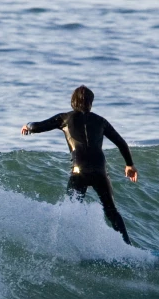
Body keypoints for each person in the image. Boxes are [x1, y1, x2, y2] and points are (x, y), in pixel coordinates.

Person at [21, 85, 138, 245]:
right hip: (100, 171)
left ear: (72, 102)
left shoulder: (64, 118)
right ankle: (128, 248)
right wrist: (129, 165)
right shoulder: (101, 121)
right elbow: (121, 143)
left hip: (79, 172)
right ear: (91, 102)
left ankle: (69, 247)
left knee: (71, 212)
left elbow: (37, 126)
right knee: (112, 212)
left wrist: (27, 126)